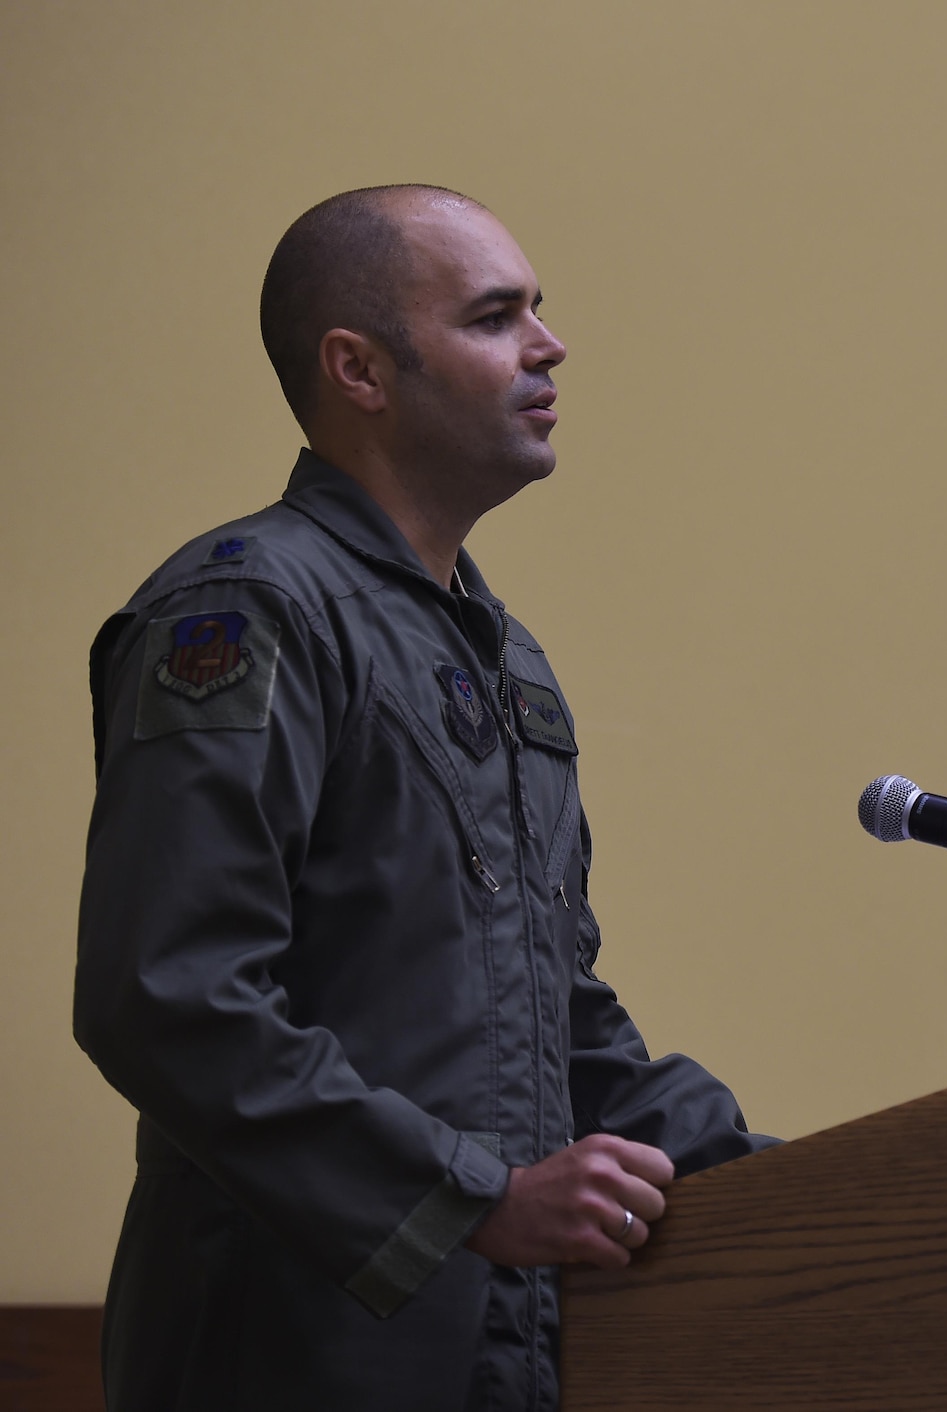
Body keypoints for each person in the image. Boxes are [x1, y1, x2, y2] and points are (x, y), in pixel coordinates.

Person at [73, 185, 776, 1411]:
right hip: (287, 1355)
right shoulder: (247, 613)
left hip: (500, 1349)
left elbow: (558, 1022)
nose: (548, 346)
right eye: (496, 315)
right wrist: (472, 1198)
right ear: (360, 369)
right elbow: (168, 993)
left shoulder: (503, 660)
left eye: (535, 313)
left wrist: (791, 1175)